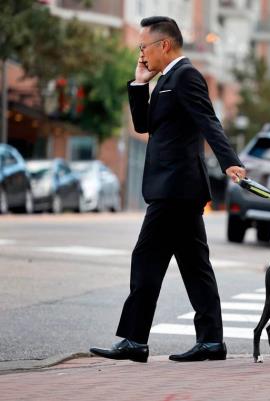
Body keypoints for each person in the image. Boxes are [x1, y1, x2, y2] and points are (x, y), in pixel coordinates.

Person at [90, 16, 246, 363]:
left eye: (143, 46)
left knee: (147, 259)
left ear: (164, 45)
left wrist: (229, 161)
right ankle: (210, 341)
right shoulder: (164, 81)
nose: (140, 53)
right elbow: (145, 125)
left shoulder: (186, 76)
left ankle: (135, 340)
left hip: (175, 188)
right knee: (194, 265)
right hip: (177, 189)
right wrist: (139, 83)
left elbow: (208, 121)